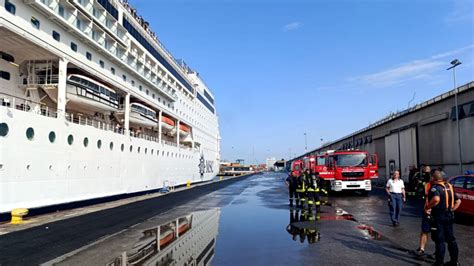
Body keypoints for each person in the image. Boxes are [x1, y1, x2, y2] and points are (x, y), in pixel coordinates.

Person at [425, 170, 461, 266]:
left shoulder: (435, 188)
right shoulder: (449, 187)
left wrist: (428, 207)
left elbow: (436, 199)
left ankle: (439, 262)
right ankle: (455, 261)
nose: (430, 179)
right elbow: (458, 201)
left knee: (439, 240)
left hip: (439, 216)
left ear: (433, 178)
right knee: (451, 239)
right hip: (449, 216)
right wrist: (452, 209)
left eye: (431, 177)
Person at [416, 169, 434, 256]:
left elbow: (435, 199)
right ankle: (422, 248)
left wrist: (428, 207)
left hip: (429, 211)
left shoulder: (428, 185)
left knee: (425, 231)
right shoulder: (446, 185)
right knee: (425, 231)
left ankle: (422, 249)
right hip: (437, 213)